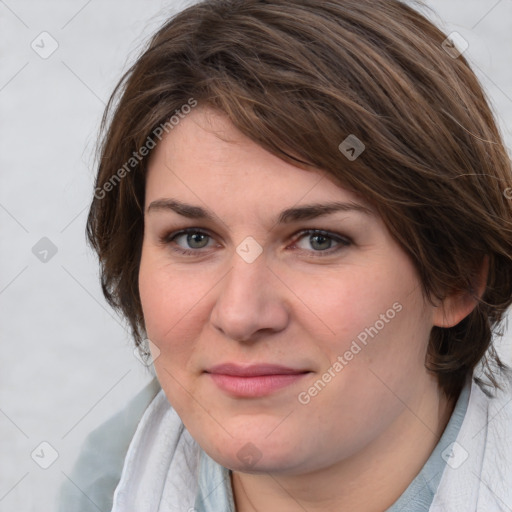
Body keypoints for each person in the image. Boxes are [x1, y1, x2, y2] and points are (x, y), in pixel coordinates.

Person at [58, 0, 512, 510]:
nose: (241, 315)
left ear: (457, 279)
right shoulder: (107, 481)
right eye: (193, 238)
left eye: (319, 240)